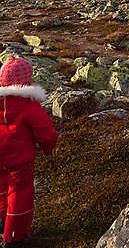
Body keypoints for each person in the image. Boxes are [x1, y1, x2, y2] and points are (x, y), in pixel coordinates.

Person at [0, 54, 58, 246]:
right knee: (20, 193)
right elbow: (47, 133)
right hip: (20, 161)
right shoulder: (30, 106)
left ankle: (2, 222)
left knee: (1, 189)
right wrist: (47, 149)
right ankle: (15, 238)